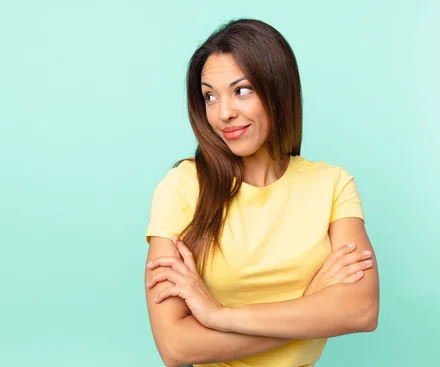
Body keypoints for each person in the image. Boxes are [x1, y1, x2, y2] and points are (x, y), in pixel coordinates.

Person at [143, 18, 379, 367]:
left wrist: (217, 315)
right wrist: (311, 305)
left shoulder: (332, 184)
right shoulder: (182, 187)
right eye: (210, 96)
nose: (224, 113)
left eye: (242, 90)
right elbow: (176, 347)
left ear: (277, 89)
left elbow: (361, 310)